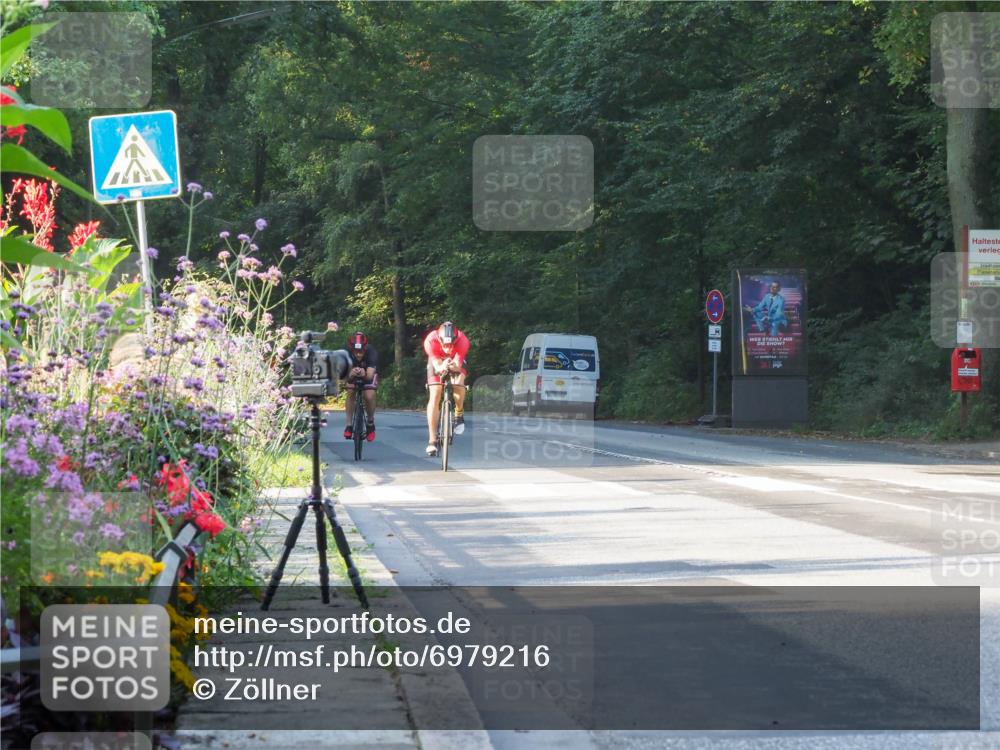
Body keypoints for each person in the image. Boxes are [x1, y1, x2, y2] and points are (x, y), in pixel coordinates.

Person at [424, 321, 470, 457]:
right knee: (435, 393)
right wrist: (441, 366)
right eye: (445, 345)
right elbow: (437, 366)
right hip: (437, 360)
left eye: (450, 345)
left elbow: (457, 365)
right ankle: (432, 440)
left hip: (456, 360)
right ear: (439, 340)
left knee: (458, 383)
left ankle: (458, 413)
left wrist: (452, 365)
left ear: (455, 340)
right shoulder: (431, 340)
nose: (448, 348)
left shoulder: (462, 340)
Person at [342, 331, 378, 442]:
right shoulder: (345, 353)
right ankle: (349, 425)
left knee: (369, 395)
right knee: (350, 390)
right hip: (351, 373)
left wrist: (364, 374)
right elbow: (343, 376)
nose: (358, 354)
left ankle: (370, 423)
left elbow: (370, 376)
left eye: (361, 351)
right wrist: (350, 375)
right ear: (351, 349)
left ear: (365, 349)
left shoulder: (371, 352)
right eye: (356, 351)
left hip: (367, 373)